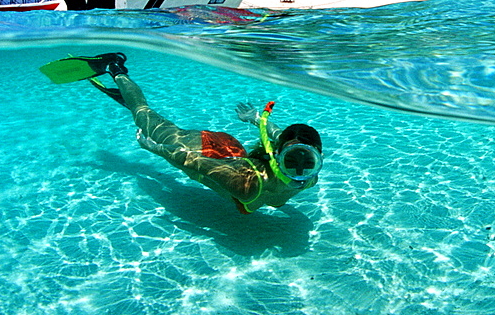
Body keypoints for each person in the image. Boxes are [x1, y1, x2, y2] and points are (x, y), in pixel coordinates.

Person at [40, 53, 323, 214]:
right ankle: (116, 69)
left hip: (233, 152)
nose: (300, 169)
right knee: (143, 116)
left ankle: (131, 100)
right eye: (293, 158)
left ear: (318, 159)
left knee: (147, 118)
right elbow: (192, 162)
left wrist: (256, 119)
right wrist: (157, 149)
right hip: (207, 149)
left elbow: (278, 135)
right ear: (276, 155)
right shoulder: (247, 186)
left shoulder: (309, 176)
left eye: (308, 161)